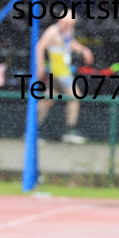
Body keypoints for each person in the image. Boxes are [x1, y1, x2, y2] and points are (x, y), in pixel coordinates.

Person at [35, 16, 93, 144]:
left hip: (62, 70)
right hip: (58, 71)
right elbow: (39, 47)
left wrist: (84, 50)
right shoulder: (52, 31)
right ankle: (70, 131)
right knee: (75, 96)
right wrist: (40, 66)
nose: (70, 26)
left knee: (47, 101)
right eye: (69, 23)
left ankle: (33, 130)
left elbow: (69, 42)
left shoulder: (67, 30)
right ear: (62, 21)